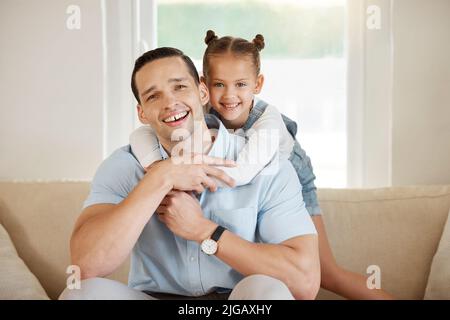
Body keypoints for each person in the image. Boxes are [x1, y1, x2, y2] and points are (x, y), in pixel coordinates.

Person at [129, 30, 394, 300]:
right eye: (219, 84)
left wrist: (186, 176)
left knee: (326, 273)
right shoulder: (197, 110)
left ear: (258, 84)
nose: (229, 95)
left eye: (241, 84)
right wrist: (156, 169)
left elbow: (242, 173)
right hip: (241, 175)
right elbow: (140, 134)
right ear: (204, 87)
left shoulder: (268, 122)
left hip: (284, 174)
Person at [59, 46, 320, 300]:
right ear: (142, 113)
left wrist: (204, 231)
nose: (170, 102)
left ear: (202, 92)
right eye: (153, 96)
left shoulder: (266, 165)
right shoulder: (123, 166)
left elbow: (304, 282)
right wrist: (161, 177)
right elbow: (85, 267)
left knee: (267, 292)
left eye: (180, 87)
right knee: (80, 294)